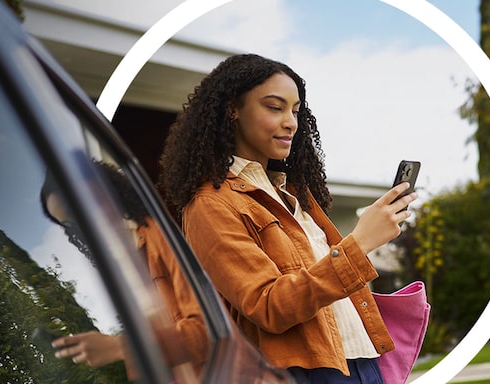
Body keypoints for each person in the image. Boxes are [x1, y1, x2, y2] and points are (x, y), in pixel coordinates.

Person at [158, 53, 417, 383]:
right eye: (274, 107)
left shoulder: (294, 193)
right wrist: (360, 242)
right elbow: (269, 305)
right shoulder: (211, 204)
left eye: (295, 111)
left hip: (361, 362)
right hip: (305, 373)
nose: (291, 122)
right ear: (232, 109)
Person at [39, 165, 209, 379]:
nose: (79, 226)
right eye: (69, 224)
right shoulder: (119, 262)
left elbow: (209, 331)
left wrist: (121, 347)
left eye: (76, 211)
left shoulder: (157, 234)